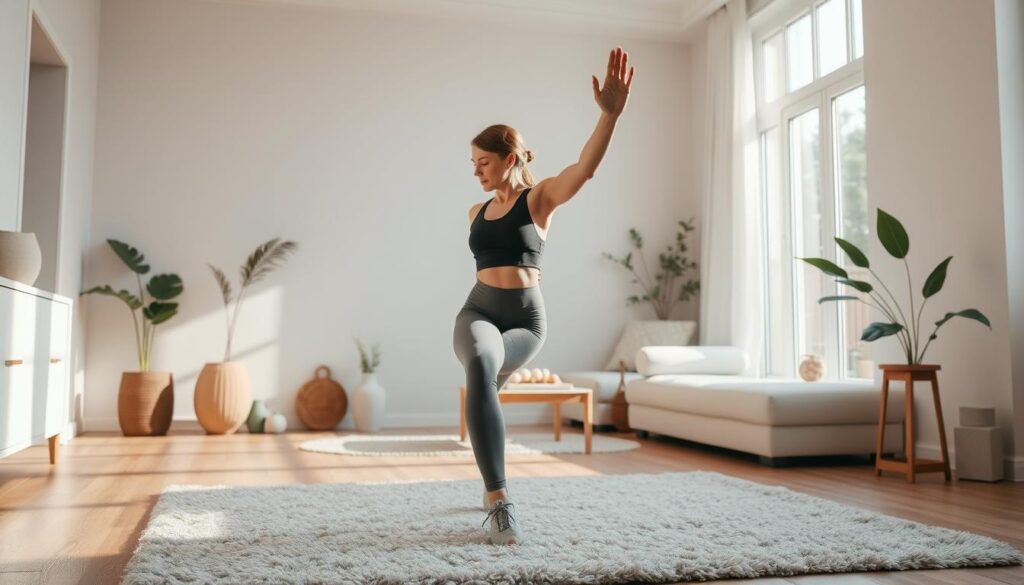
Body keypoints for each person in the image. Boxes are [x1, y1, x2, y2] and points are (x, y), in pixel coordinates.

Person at [452, 47, 634, 545]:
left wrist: (609, 116)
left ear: (509, 158)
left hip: (527, 321)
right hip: (479, 311)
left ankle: (490, 473)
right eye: (473, 164)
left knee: (487, 379)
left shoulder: (540, 199)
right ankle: (498, 499)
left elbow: (585, 169)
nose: (477, 172)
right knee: (481, 366)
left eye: (483, 162)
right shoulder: (475, 211)